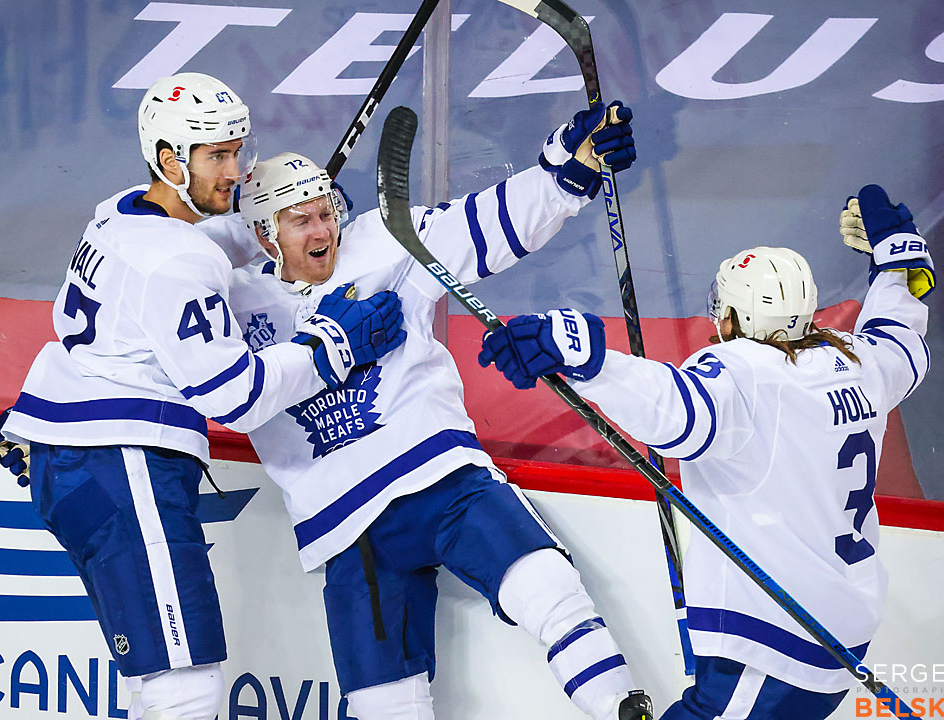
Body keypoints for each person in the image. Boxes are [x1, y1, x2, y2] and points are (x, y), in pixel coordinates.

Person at [208, 100, 652, 720]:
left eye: (325, 213)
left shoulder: (384, 239)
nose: (322, 233)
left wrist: (565, 171)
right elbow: (171, 335)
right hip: (347, 527)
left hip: (439, 477)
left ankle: (620, 708)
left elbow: (489, 223)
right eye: (299, 221)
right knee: (381, 702)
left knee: (543, 580)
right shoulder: (227, 299)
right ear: (261, 233)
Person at [0, 72, 405, 720]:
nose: (235, 169)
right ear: (170, 159)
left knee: (162, 680)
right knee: (184, 687)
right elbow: (237, 397)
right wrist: (331, 348)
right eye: (217, 156)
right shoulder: (178, 264)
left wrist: (268, 220)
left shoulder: (122, 210)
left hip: (68, 453)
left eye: (238, 150)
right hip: (122, 466)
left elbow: (198, 246)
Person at [478, 184, 934, 719]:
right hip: (837, 632)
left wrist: (582, 354)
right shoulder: (858, 360)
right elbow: (901, 336)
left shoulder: (744, 374)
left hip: (774, 644)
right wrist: (900, 259)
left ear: (735, 319)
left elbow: (672, 411)